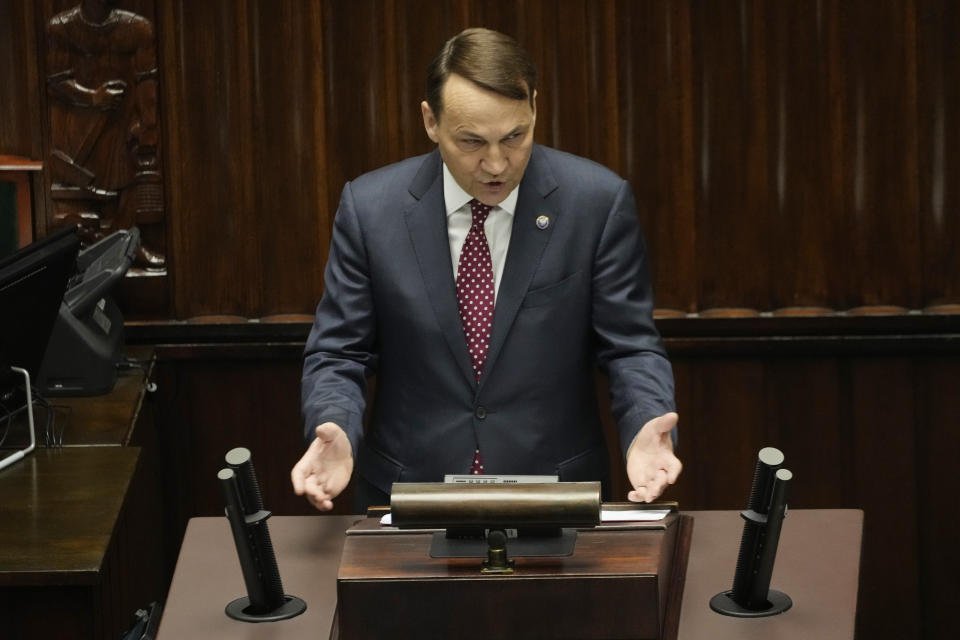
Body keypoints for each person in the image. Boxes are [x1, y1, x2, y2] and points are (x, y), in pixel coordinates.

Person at [292, 28, 681, 512]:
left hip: (555, 495)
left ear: (535, 107)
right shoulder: (371, 210)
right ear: (431, 121)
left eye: (515, 136)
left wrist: (645, 423)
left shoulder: (596, 204)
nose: (496, 163)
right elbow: (338, 351)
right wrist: (335, 425)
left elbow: (630, 347)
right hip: (409, 497)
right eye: (472, 141)